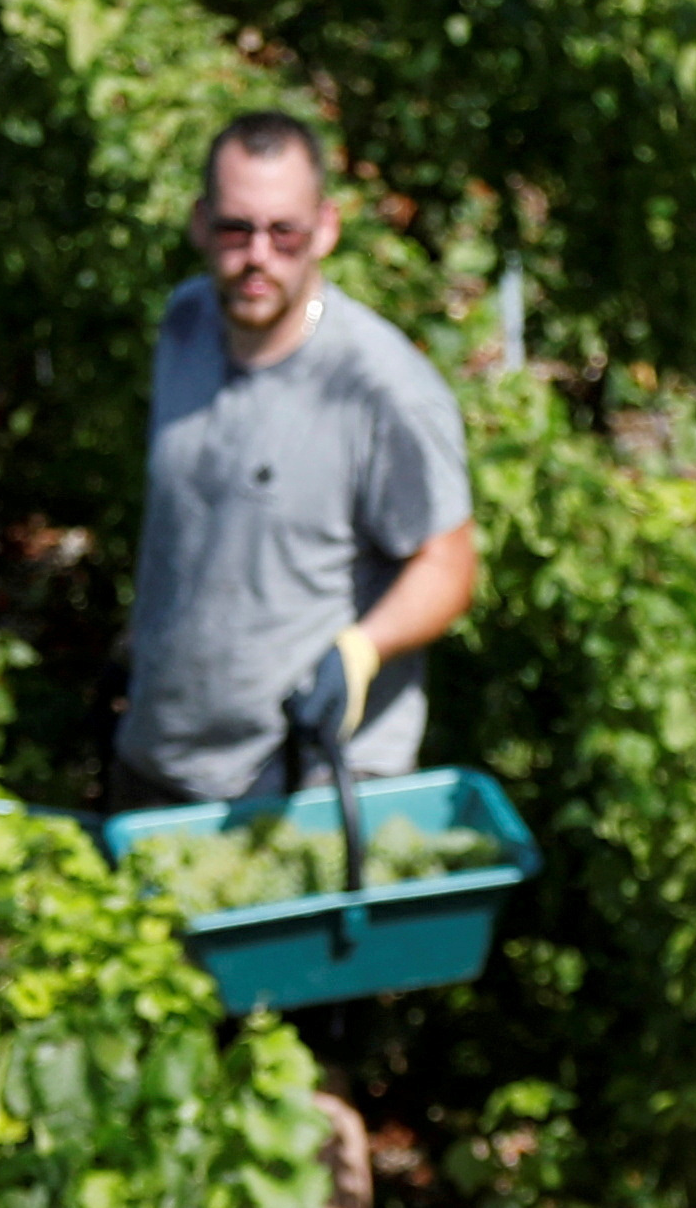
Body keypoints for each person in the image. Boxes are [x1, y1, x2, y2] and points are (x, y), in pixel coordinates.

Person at [114, 111, 481, 812]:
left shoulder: (381, 390)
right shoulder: (186, 324)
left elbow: (449, 563)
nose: (258, 256)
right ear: (199, 224)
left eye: (284, 233)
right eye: (234, 229)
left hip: (296, 790)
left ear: (326, 229)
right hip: (164, 758)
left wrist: (362, 651)